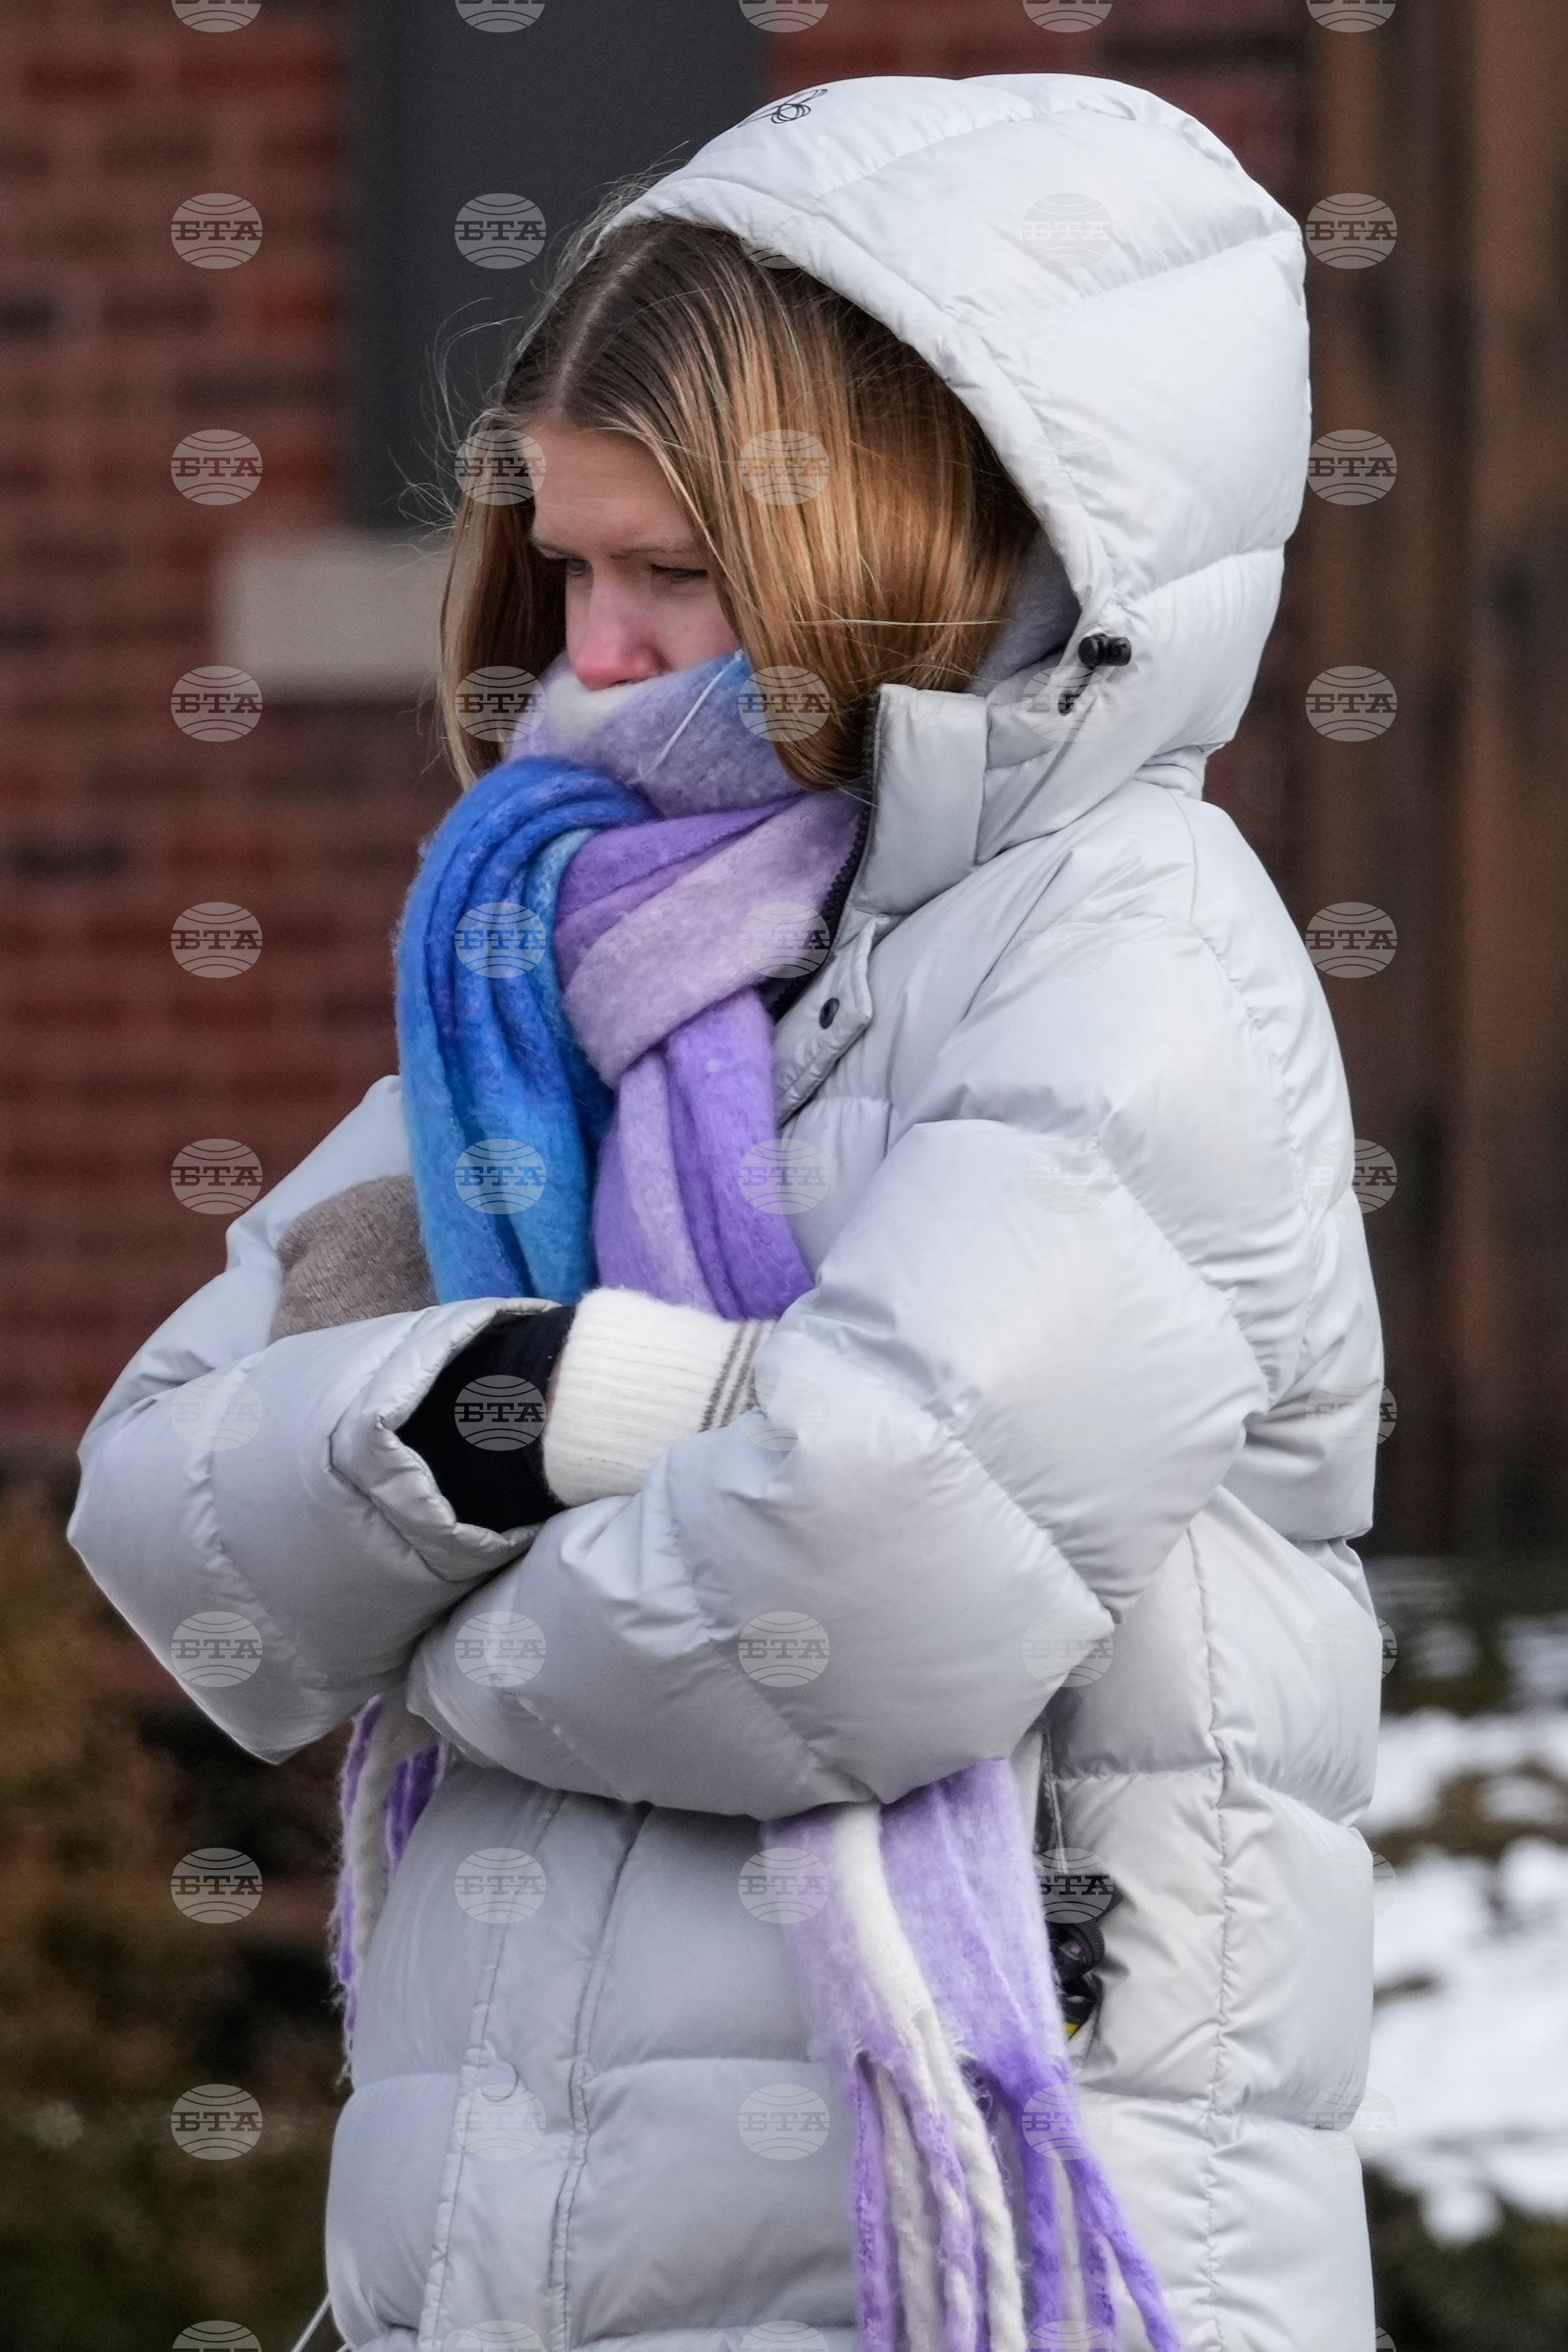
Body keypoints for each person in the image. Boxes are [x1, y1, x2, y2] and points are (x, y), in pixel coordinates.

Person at [70, 73, 1387, 2352]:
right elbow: (174, 1501)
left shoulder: (1136, 952)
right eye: (569, 566)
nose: (596, 656)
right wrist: (533, 1400)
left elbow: (854, 1590)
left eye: (675, 574)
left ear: (928, 527)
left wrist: (426, 1625)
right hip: (523, 2252)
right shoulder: (569, 947)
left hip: (974, 2254)